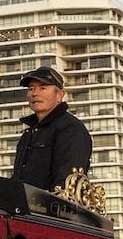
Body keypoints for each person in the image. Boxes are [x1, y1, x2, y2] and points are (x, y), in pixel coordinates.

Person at [10, 64, 93, 192]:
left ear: (60, 95)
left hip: (50, 209)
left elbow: (67, 185)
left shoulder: (71, 129)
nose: (34, 93)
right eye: (31, 89)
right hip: (20, 209)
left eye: (42, 88)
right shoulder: (28, 135)